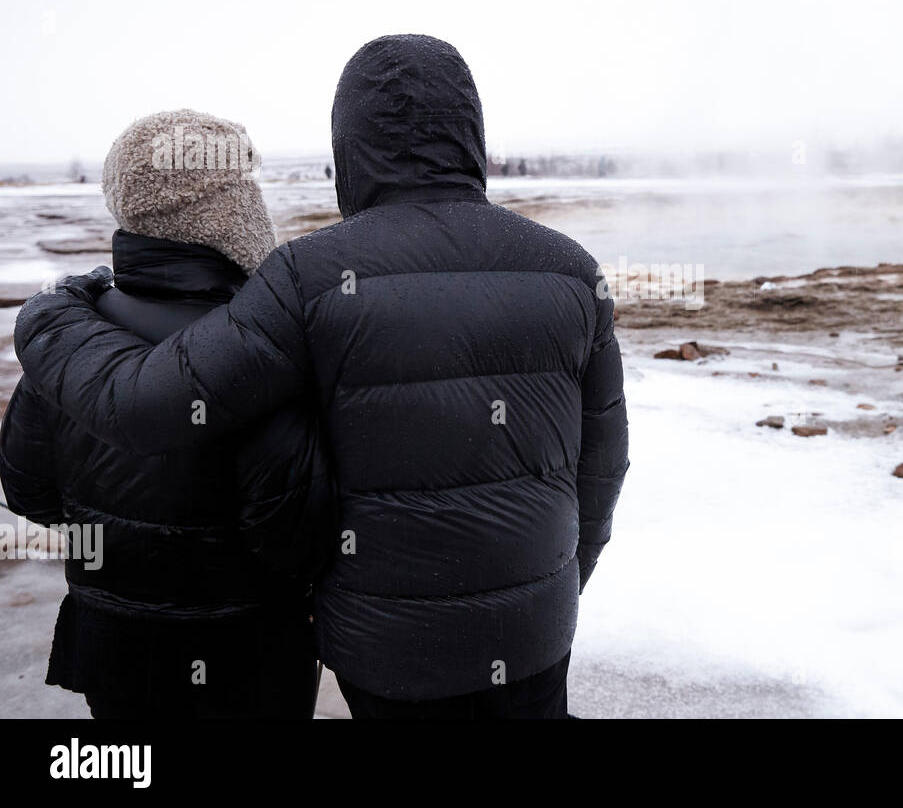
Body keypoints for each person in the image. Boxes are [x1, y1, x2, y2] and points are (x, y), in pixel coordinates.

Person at [13, 35, 631, 718]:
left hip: (384, 648)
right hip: (535, 626)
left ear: (350, 147)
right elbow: (602, 465)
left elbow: (143, 405)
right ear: (471, 131)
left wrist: (51, 314)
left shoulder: (310, 276)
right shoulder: (572, 268)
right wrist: (565, 580)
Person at [0, 109, 333, 718]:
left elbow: (26, 489)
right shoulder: (261, 352)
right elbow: (294, 538)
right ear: (232, 216)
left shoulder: (69, 341)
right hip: (249, 656)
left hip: (111, 645)